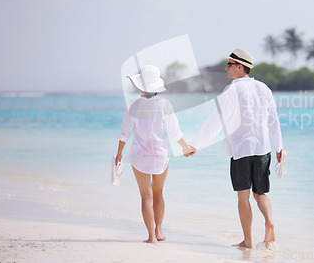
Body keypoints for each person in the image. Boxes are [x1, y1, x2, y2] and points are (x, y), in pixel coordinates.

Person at [190, 48, 284, 249]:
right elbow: (273, 121)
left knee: (243, 195)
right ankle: (269, 221)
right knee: (261, 194)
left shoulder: (233, 89)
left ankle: (248, 241)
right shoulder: (264, 88)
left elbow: (215, 120)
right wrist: (279, 148)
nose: (226, 68)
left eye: (230, 65)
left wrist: (196, 144)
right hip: (262, 149)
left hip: (241, 150)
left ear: (240, 67)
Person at [116, 64, 194, 244]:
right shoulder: (165, 104)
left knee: (146, 196)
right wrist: (186, 148)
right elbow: (176, 133)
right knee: (158, 193)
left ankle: (151, 237)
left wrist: (119, 154)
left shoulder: (132, 105)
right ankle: (159, 231)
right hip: (160, 155)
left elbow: (124, 133)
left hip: (139, 156)